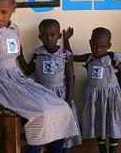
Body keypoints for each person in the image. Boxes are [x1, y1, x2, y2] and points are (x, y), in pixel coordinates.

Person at [0, 0, 79, 153]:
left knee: (61, 106)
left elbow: (14, 57)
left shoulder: (15, 30)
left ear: (14, 8)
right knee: (41, 112)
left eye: (4, 12)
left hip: (15, 78)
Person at [18, 19, 83, 152]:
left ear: (59, 36)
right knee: (43, 127)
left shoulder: (65, 55)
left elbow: (70, 78)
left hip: (60, 96)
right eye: (45, 35)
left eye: (53, 35)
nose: (49, 38)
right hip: (41, 96)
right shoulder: (38, 53)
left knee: (60, 129)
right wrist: (20, 55)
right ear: (40, 36)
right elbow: (29, 70)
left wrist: (68, 99)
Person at [73, 27, 121, 153]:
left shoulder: (113, 58)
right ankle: (102, 149)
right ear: (90, 43)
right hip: (94, 98)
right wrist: (64, 47)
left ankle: (113, 148)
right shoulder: (88, 58)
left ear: (108, 45)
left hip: (111, 98)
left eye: (102, 47)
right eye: (94, 46)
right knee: (97, 122)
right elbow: (70, 57)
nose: (98, 50)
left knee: (112, 122)